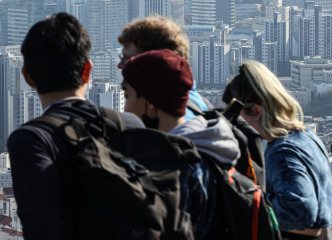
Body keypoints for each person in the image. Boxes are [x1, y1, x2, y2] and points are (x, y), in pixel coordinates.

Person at [7, 13, 144, 240]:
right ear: (87, 70)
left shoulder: (32, 141)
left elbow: (43, 228)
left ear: (28, 77)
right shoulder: (129, 125)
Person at [122, 49, 241, 239]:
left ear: (149, 100)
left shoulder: (179, 168)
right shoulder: (208, 147)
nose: (125, 108)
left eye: (127, 97)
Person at [223, 61, 332, 240]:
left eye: (237, 115)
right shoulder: (307, 136)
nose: (232, 123)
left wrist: (243, 201)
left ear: (256, 111)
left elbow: (300, 214)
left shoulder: (284, 153)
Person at [118, 15, 209, 119]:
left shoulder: (171, 120)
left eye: (127, 58)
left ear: (155, 61)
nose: (120, 65)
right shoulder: (196, 105)